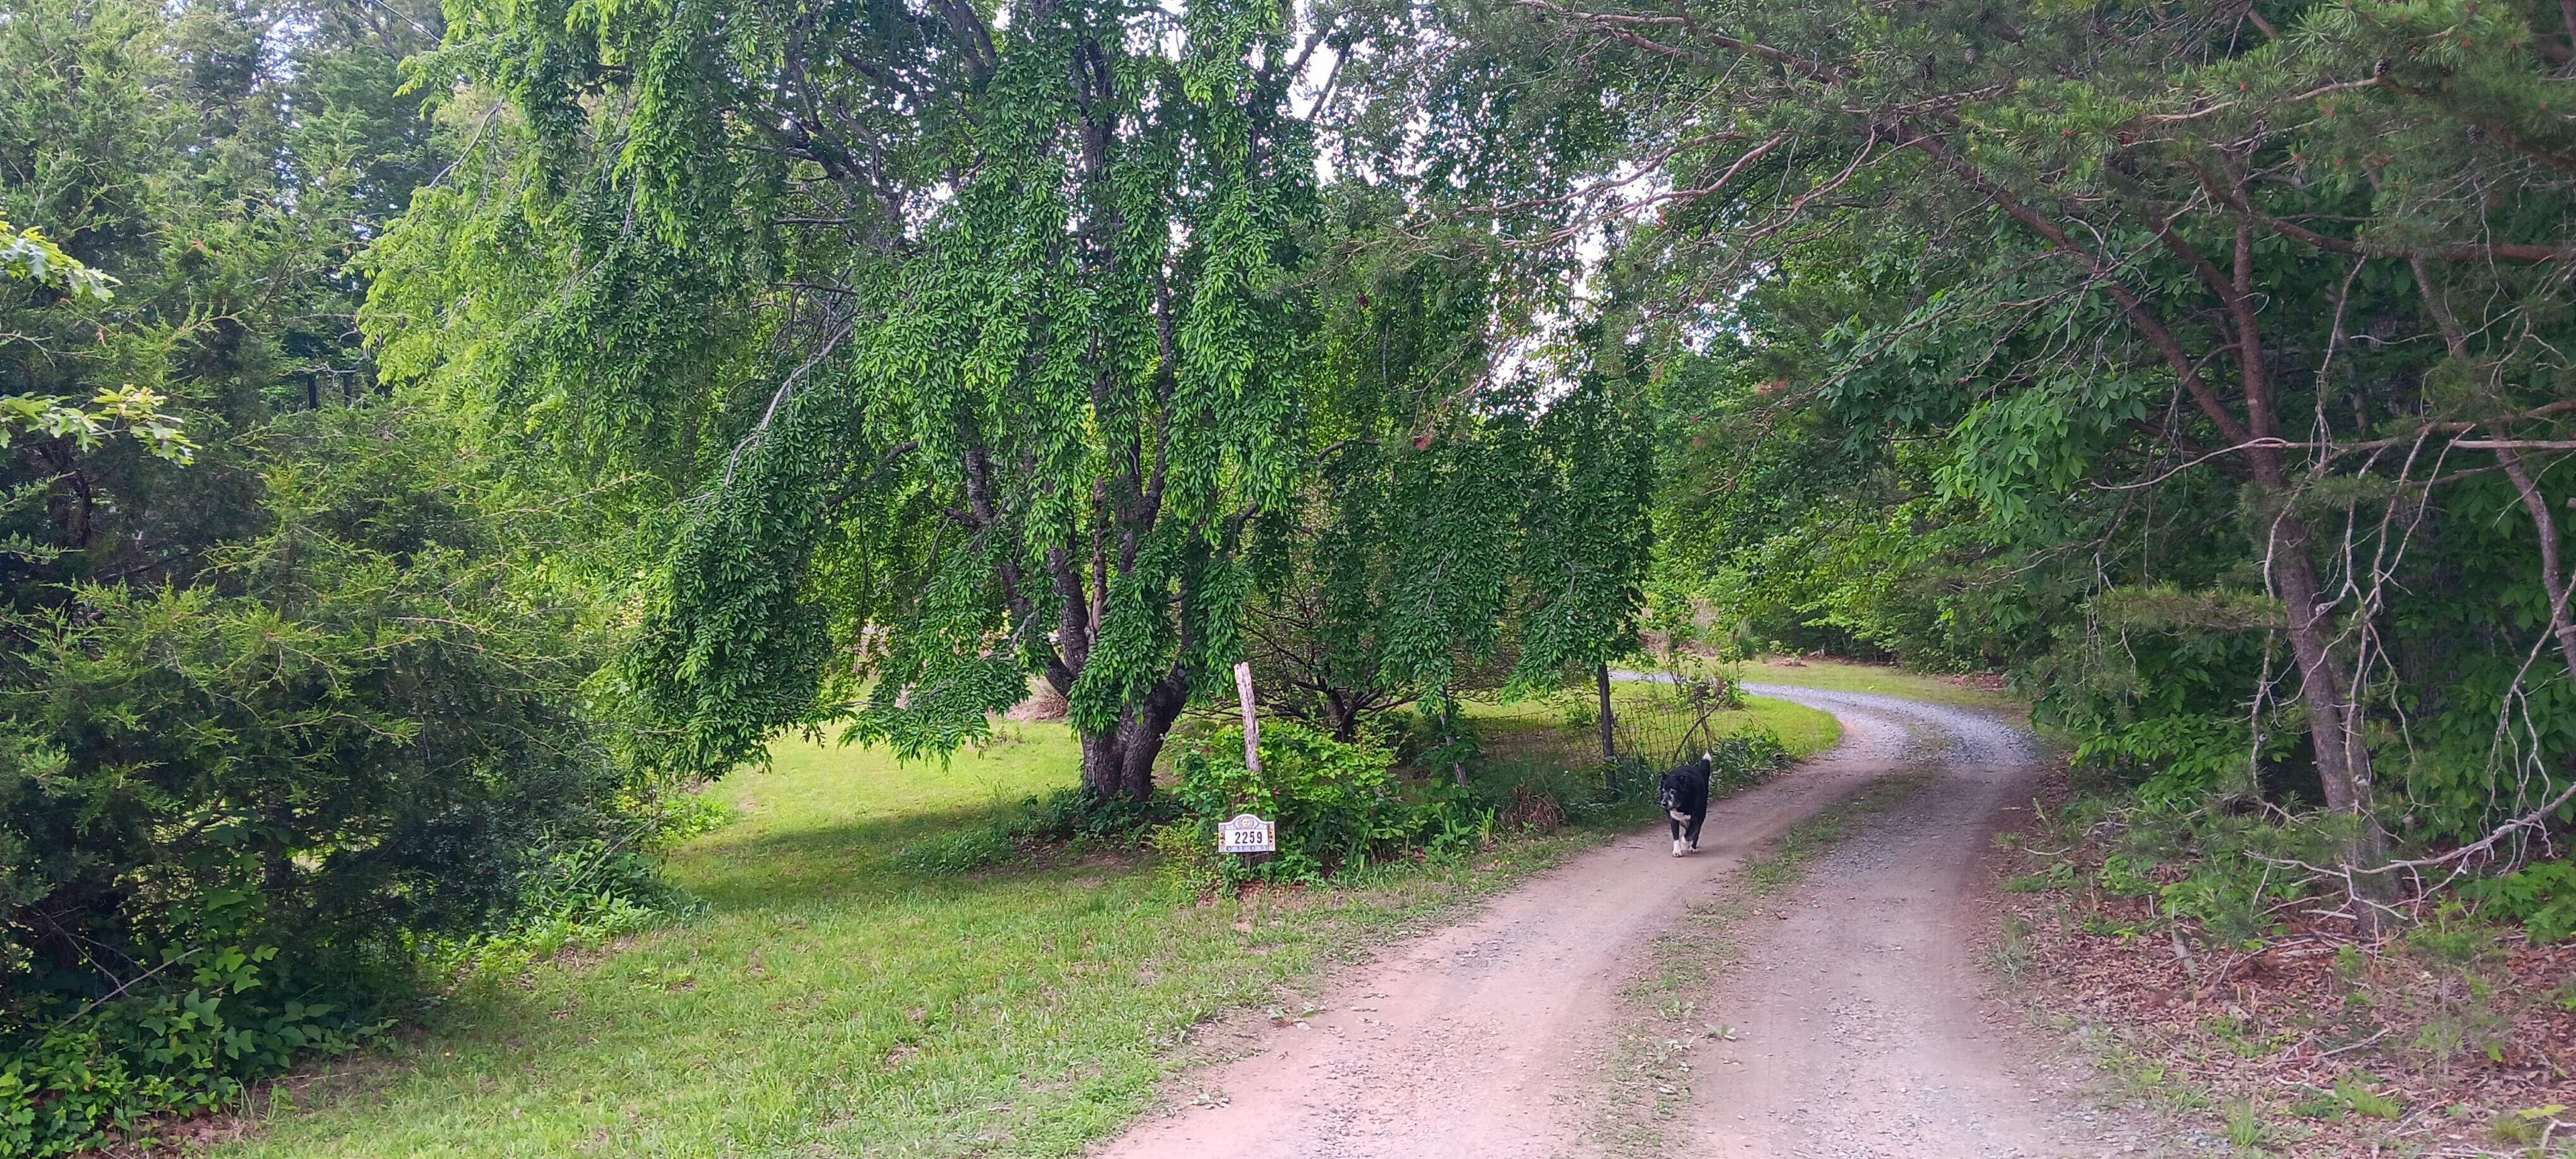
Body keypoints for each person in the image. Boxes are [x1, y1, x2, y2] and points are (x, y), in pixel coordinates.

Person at [1659, 752, 1713, 857]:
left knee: (1697, 819)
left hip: (1697, 784)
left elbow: (1697, 819)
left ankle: (1693, 841)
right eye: (1664, 792)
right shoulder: (1667, 796)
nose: (1665, 799)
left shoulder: (1694, 798)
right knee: (1674, 818)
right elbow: (1672, 816)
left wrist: (1685, 839)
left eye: (1672, 793)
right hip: (1679, 781)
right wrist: (1677, 845)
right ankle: (1676, 846)